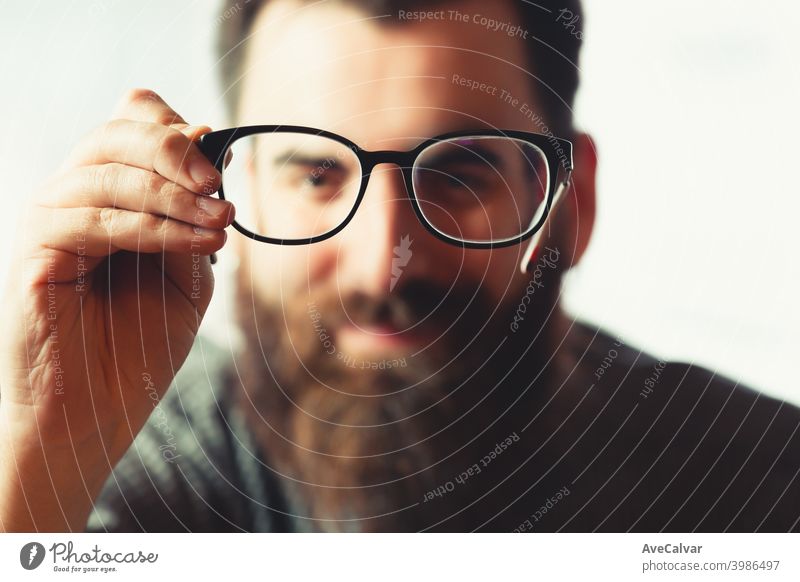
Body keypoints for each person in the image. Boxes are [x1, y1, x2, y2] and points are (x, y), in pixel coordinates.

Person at [1, 0, 797, 533]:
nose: (384, 267)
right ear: (226, 190)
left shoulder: (763, 492)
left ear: (570, 201)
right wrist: (47, 452)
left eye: (458, 172)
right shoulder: (109, 474)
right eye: (317, 174)